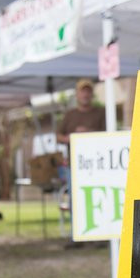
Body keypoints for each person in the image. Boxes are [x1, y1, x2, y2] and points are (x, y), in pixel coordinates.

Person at [56, 79, 106, 208]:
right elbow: (58, 136)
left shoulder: (100, 113)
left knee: (96, 196)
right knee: (75, 199)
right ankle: (75, 227)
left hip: (96, 164)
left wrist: (88, 133)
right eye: (82, 91)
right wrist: (72, 138)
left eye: (88, 92)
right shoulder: (70, 115)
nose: (85, 95)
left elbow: (107, 134)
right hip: (74, 164)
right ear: (77, 94)